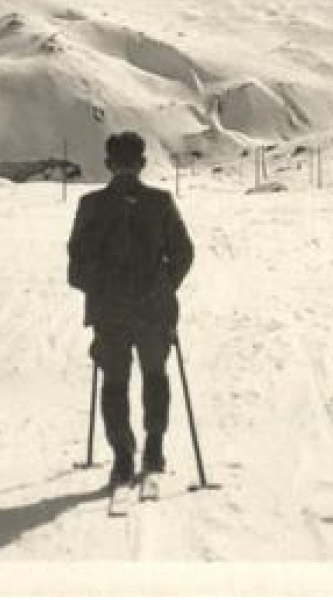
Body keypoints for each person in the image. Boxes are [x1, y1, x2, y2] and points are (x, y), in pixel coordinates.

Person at [66, 131, 195, 485]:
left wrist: (98, 289)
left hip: (110, 313)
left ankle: (123, 456)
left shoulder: (91, 205)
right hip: (154, 311)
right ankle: (153, 446)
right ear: (141, 164)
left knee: (115, 382)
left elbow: (76, 264)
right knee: (155, 376)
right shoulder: (161, 202)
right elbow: (184, 253)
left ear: (109, 164)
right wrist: (163, 288)